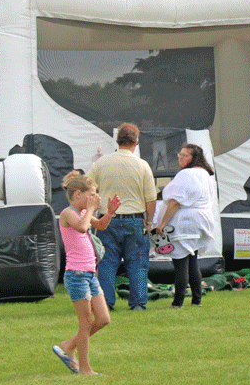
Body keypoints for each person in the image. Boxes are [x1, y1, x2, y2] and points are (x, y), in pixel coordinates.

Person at [52, 171, 118, 376]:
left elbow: (100, 225)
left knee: (103, 319)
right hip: (76, 275)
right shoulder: (68, 213)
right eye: (92, 195)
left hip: (90, 275)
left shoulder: (83, 212)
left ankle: (69, 345)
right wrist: (90, 210)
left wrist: (109, 212)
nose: (95, 198)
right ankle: (85, 369)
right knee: (86, 323)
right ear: (78, 194)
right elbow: (82, 228)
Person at [88, 122, 158, 311]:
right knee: (138, 264)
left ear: (118, 141)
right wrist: (149, 222)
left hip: (107, 219)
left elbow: (89, 191)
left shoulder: (101, 164)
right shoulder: (142, 166)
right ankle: (138, 303)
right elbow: (151, 199)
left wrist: (92, 215)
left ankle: (106, 304)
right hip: (135, 220)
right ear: (136, 142)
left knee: (107, 264)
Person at [153, 144, 218, 309]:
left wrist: (162, 224)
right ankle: (197, 300)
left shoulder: (187, 174)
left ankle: (178, 302)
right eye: (179, 154)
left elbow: (175, 202)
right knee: (192, 261)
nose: (180, 158)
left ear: (193, 158)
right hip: (200, 222)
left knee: (180, 261)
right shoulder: (205, 174)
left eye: (184, 155)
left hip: (184, 223)